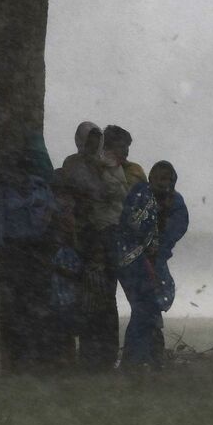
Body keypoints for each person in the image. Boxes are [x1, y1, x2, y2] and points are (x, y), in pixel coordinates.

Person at [0, 148, 60, 373]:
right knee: (13, 306)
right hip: (13, 250)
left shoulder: (40, 188)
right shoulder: (2, 191)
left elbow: (52, 212)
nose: (18, 175)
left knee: (36, 303)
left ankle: (34, 357)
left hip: (37, 249)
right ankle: (14, 358)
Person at [60, 121, 122, 370]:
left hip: (105, 235)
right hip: (82, 237)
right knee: (87, 300)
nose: (94, 146)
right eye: (90, 141)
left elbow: (112, 194)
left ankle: (106, 355)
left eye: (98, 142)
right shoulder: (72, 164)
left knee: (106, 298)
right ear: (81, 141)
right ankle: (89, 356)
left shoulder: (104, 165)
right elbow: (74, 194)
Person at [117, 160, 189, 369]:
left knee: (149, 307)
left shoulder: (175, 203)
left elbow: (175, 231)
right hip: (130, 259)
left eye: (168, 179)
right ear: (151, 179)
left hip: (154, 262)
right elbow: (128, 222)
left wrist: (157, 253)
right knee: (143, 307)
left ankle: (147, 358)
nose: (163, 183)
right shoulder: (140, 194)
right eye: (160, 178)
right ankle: (138, 359)